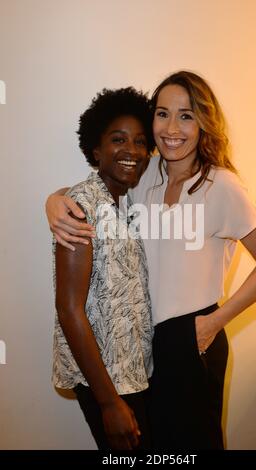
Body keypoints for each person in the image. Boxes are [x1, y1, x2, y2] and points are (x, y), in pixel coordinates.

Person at [46, 71, 256, 449]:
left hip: (193, 336)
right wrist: (55, 199)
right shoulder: (144, 173)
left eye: (186, 115)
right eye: (162, 113)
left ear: (204, 123)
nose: (172, 127)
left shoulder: (221, 185)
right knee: (155, 449)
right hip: (142, 344)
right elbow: (95, 187)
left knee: (194, 445)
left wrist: (212, 324)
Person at [52, 87, 156, 450]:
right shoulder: (81, 204)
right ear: (96, 151)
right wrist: (109, 402)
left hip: (129, 371)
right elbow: (68, 308)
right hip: (104, 379)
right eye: (118, 139)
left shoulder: (123, 203)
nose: (132, 150)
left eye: (141, 142)